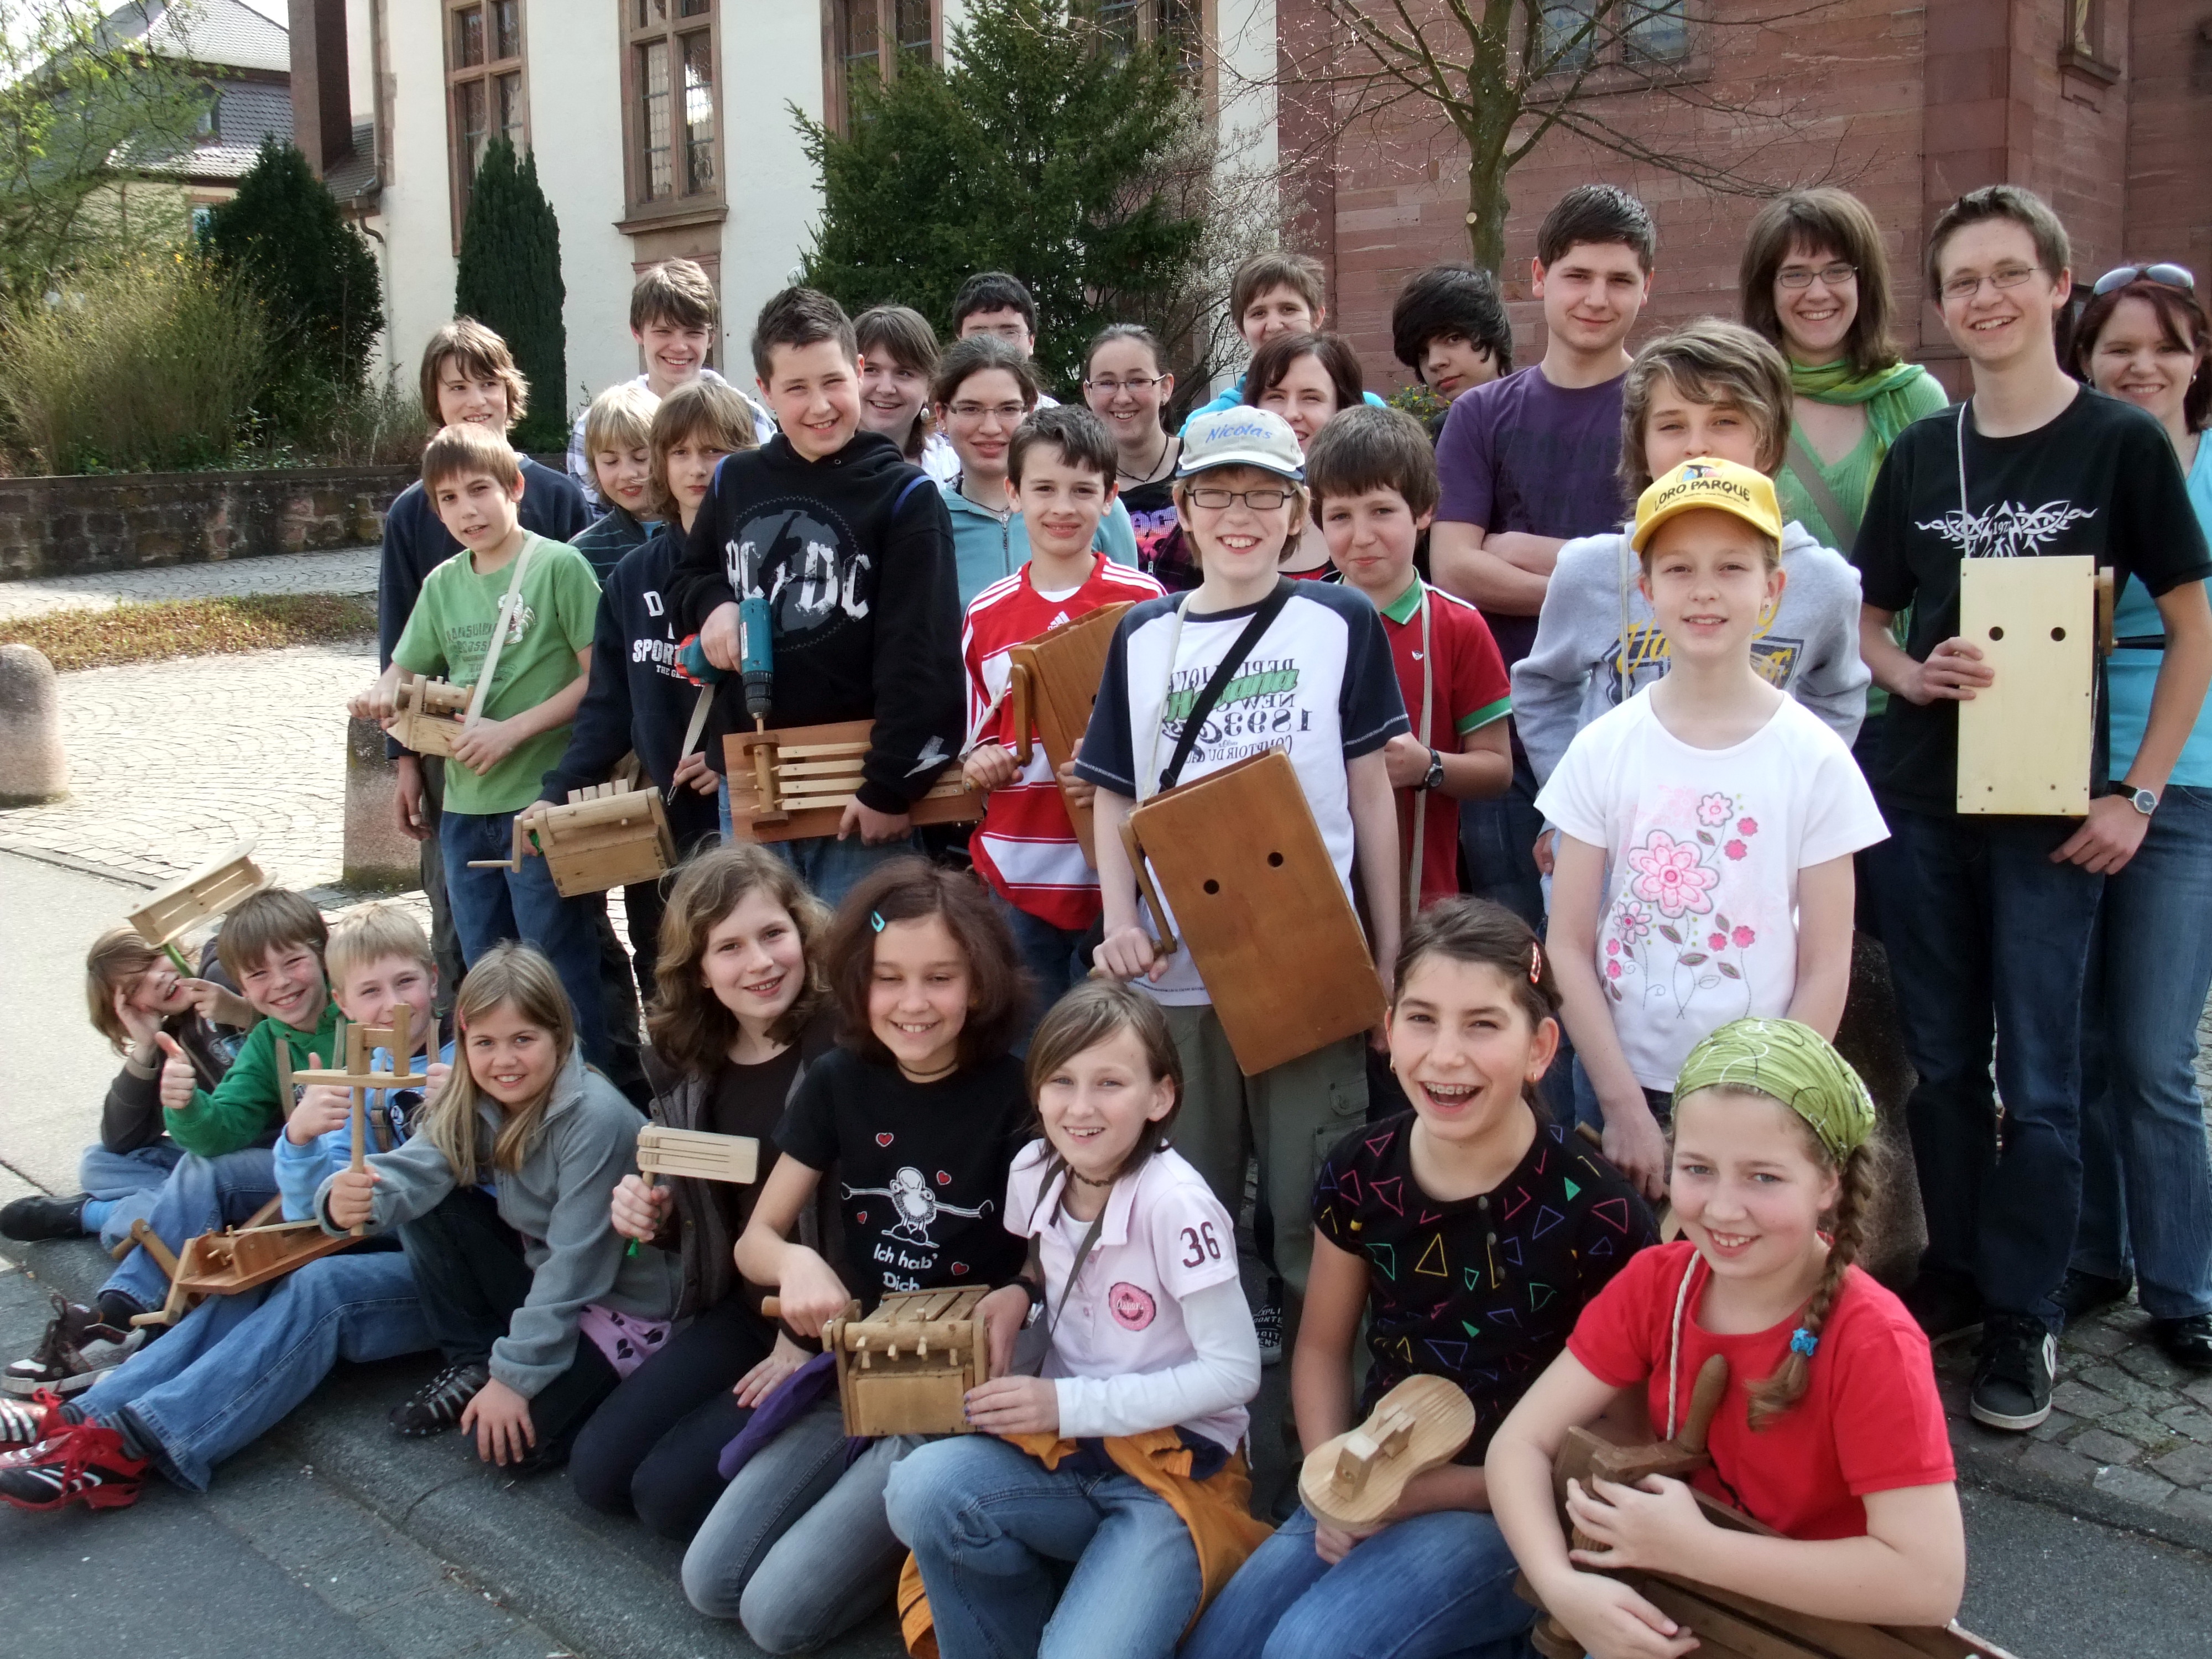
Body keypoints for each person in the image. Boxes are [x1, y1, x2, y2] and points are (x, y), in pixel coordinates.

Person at [1853, 186, 2212, 1429]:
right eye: (1961, 281)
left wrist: (2138, 790)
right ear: (1940, 303)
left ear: (2058, 287)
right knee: (1943, 1065)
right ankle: (1958, 1270)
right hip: (1922, 800)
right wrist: (1907, 669)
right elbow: (1868, 619)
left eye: (2008, 274)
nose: (1985, 299)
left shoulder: (2115, 441)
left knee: (2043, 1078)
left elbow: (2189, 627)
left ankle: (2027, 1312)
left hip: (2054, 807)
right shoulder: (1918, 449)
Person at [1183, 899, 1654, 1659]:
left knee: (1310, 1650)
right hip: (1373, 1474)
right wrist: (1336, 1481)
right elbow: (1320, 1350)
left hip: (1513, 1508)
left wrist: (1423, 1497)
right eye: (1422, 1019)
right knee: (1216, 1650)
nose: (1444, 1055)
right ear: (1388, 1029)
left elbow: (1622, 1436)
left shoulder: (1598, 1212)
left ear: (1539, 1048)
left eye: (1482, 1025)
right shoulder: (1360, 1171)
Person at [1487, 1019, 1964, 1658]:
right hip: (1683, 1618)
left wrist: (1698, 1550)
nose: (1722, 1209)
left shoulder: (1872, 1340)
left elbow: (1928, 1582)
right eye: (1698, 1168)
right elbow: (1518, 1443)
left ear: (1828, 1184)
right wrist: (1561, 1587)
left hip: (1806, 1635)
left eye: (1763, 1178)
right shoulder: (1658, 1283)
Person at [1078, 405, 1407, 1316]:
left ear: (1296, 512)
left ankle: (1328, 1438)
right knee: (1190, 1210)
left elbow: (1372, 797)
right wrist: (1118, 920)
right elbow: (1115, 793)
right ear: (1182, 507)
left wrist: (1386, 957)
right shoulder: (1142, 636)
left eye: (1266, 495)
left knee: (1316, 1214)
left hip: (1310, 964)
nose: (1241, 515)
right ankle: (1206, 1438)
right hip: (1178, 972)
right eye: (1218, 492)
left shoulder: (1340, 621)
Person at [680, 861, 1034, 1652]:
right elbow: (756, 1241)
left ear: (977, 985)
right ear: (856, 982)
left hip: (956, 1388)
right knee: (710, 1584)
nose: (913, 1004)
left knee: (776, 1618)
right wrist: (800, 1266)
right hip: (859, 1363)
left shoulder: (1022, 1096)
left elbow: (1051, 1258)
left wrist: (1020, 1291)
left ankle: (916, 1543)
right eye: (888, 979)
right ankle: (883, 1528)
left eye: (939, 978)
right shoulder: (840, 1081)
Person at [0, 905, 449, 1511]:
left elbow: (463, 1194)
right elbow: (315, 1207)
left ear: (435, 981)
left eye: (404, 984)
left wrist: (450, 1121)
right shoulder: (356, 1064)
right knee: (252, 1267)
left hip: (458, 1274)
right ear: (347, 1003)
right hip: (385, 1238)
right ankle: (87, 1411)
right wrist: (297, 1139)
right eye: (369, 991)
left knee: (322, 1286)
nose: (390, 1004)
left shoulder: (459, 1066)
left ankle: (130, 1442)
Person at [885, 980, 1270, 1658]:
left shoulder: (1176, 1203)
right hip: (1068, 1455)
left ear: (1161, 1096)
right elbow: (1048, 1264)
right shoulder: (1034, 1166)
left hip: (1174, 1472)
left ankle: (1139, 1576)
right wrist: (1019, 1292)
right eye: (1060, 1080)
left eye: (1110, 1083)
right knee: (920, 1487)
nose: (1081, 1107)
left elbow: (1234, 1372)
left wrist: (1064, 1402)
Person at [1538, 458, 1887, 1201]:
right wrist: (1625, 1105)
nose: (1703, 590)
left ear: (1773, 590)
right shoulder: (1604, 747)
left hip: (1757, 1097)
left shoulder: (1814, 758)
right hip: (1619, 1087)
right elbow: (1567, 942)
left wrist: (1771, 1099)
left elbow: (1828, 959)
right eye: (1680, 568)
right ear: (1646, 591)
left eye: (1732, 568)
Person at [568, 846, 839, 1536]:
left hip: (828, 1320)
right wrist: (652, 1214)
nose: (760, 963)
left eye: (774, 935)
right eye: (730, 948)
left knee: (667, 1499)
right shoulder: (690, 1059)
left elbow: (865, 1216)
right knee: (599, 1475)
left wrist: (800, 1343)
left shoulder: (840, 1049)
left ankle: (824, 1454)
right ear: (700, 969)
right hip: (739, 1308)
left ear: (802, 933)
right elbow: (701, 1208)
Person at [352, 422, 633, 1086]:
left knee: (556, 963)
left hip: (537, 806)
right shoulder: (445, 583)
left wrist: (513, 732)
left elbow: (600, 678)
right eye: (447, 499)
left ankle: (584, 1096)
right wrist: (379, 694)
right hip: (466, 808)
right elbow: (403, 670)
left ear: (516, 488)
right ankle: (512, 1105)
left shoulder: (558, 565)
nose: (466, 510)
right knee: (486, 969)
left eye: (480, 490)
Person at [317, 943, 676, 1462]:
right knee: (433, 1199)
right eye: (484, 1042)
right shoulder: (473, 1094)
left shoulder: (595, 1119)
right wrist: (342, 1200)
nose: (503, 1061)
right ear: (464, 1040)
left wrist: (515, 1378)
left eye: (523, 1040)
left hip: (621, 1302)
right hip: (547, 1276)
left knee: (518, 1447)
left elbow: (577, 1266)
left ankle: (608, 1382)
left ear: (559, 1034)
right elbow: (412, 1168)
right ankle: (477, 1361)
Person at [668, 286, 964, 907]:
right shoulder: (735, 479)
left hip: (858, 789)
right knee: (767, 962)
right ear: (765, 391)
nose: (820, 405)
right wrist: (715, 606)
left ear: (857, 372)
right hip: (755, 779)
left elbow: (923, 656)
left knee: (854, 970)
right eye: (796, 388)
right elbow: (689, 576)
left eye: (833, 381)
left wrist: (891, 786)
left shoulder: (906, 498)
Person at [2058, 263, 2212, 1371]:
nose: (2139, 364)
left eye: (2161, 344)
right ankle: (2091, 1254)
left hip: (2182, 787)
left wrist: (2144, 793)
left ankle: (2180, 1281)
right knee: (2074, 1049)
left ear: (2195, 357)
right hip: (2061, 778)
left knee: (2156, 1053)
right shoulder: (2078, 461)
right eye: (2116, 345)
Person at [1514, 320, 1872, 795]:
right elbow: (1543, 687)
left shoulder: (1826, 582)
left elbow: (1839, 695)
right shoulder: (1590, 571)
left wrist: (1799, 796)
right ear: (1641, 447)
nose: (1696, 445)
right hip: (1613, 850)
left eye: (1725, 421)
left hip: (1752, 849)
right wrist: (1570, 801)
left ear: (1768, 443)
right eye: (1671, 425)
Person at [1432, 185, 1657, 928]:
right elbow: (1456, 567)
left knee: (1633, 937)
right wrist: (1608, 575)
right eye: (1578, 275)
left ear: (1646, 288)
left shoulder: (1670, 407)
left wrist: (1522, 552)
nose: (1597, 297)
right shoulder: (1481, 414)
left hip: (1641, 721)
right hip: (1506, 733)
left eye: (1620, 279)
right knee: (1517, 942)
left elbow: (1672, 576)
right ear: (1538, 278)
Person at [1739, 190, 1950, 937]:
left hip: (1895, 712)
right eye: (1794, 274)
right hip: (1770, 705)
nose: (1818, 292)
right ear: (1766, 289)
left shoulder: (1914, 398)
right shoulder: (1739, 396)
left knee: (1905, 931)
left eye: (1837, 270)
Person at [378, 320, 589, 1001]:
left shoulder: (558, 507)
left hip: (540, 781)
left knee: (558, 952)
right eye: (457, 386)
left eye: (487, 383)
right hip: (461, 781)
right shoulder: (419, 527)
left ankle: (590, 1077)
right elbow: (400, 653)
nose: (475, 399)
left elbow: (591, 661)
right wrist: (402, 749)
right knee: (473, 944)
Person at [535, 380, 752, 997]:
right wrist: (556, 793)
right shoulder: (633, 579)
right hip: (662, 827)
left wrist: (726, 755)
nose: (697, 467)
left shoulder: (768, 567)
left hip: (748, 824)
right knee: (666, 977)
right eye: (680, 452)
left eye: (713, 450)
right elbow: (608, 707)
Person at [962, 405, 1165, 1014]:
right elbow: (974, 742)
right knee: (1029, 1052)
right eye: (1044, 489)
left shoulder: (1144, 603)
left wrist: (1114, 774)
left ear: (1110, 498)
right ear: (1013, 492)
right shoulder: (985, 613)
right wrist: (983, 762)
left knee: (1122, 1043)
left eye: (1083, 491)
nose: (1062, 508)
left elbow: (1172, 741)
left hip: (1122, 881)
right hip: (1017, 871)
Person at [1307, 406, 1511, 912]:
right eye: (1340, 517)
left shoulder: (1457, 625)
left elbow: (1497, 769)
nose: (1362, 535)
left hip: (1421, 896)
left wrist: (1429, 766)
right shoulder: (1297, 621)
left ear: (1424, 511)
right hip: (1314, 899)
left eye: (1381, 511)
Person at [0, 931, 246, 1252]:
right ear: (132, 1008)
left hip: (254, 1158)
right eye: (135, 988)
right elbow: (120, 1139)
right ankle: (169, 1206)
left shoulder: (219, 974)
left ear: (169, 947)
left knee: (177, 1200)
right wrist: (145, 1048)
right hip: (210, 1156)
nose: (156, 980)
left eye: (151, 962)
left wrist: (240, 1011)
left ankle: (95, 1215)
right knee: (98, 1162)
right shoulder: (172, 1040)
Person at [935, 333, 1140, 605]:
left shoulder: (1097, 508)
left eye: (1008, 409)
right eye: (971, 409)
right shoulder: (931, 520)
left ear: (1030, 411)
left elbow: (1134, 617)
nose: (991, 428)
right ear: (942, 415)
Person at [566, 257, 775, 510]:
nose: (679, 347)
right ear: (637, 332)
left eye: (693, 333)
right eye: (663, 332)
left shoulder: (750, 420)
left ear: (711, 337)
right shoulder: (594, 426)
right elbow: (594, 521)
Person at [1183, 253, 1389, 426]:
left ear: (1317, 317)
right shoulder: (1208, 422)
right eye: (1258, 313)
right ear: (1241, 329)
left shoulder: (1367, 411)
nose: (1274, 326)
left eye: (1288, 309)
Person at [1082, 323, 1185, 584]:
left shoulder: (1199, 468)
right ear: (1088, 393)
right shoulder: (1078, 485)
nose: (1123, 397)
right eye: (1107, 383)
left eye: (1138, 381)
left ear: (1166, 388)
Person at [1390, 263, 1514, 417]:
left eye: (1453, 339)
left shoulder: (1543, 417)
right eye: (1423, 353)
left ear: (1493, 333)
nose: (1434, 363)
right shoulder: (1443, 434)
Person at [570, 382, 661, 584]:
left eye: (641, 458)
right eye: (611, 462)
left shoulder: (698, 536)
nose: (627, 474)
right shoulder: (583, 552)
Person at [856, 303, 958, 483]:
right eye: (871, 370)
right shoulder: (813, 466)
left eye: (904, 373)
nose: (886, 388)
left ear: (929, 386)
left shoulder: (953, 469)